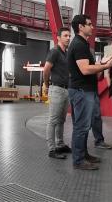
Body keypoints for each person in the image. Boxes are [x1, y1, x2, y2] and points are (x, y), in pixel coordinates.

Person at [67, 14, 112, 170]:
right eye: (89, 24)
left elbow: (89, 66)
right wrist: (105, 66)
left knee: (83, 125)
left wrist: (101, 63)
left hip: (85, 90)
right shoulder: (79, 45)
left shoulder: (82, 44)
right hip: (82, 91)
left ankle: (83, 154)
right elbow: (85, 69)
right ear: (81, 27)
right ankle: (78, 160)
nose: (92, 26)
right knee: (81, 127)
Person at [42, 26, 72, 159]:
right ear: (59, 37)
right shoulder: (54, 51)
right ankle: (51, 149)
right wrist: (46, 84)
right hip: (56, 89)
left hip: (66, 89)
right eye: (65, 36)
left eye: (69, 36)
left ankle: (60, 145)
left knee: (61, 120)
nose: (68, 38)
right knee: (53, 120)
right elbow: (46, 69)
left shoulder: (65, 53)